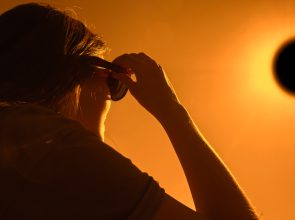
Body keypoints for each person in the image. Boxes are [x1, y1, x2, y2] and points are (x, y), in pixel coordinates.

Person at [0, 3, 259, 220]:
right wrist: (171, 110)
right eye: (113, 81)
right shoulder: (57, 147)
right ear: (71, 74)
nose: (110, 99)